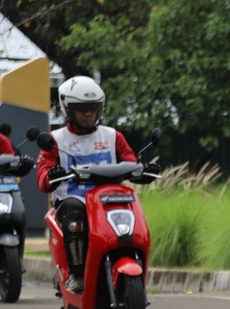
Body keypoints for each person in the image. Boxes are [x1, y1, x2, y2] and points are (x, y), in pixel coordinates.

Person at [35, 76, 157, 294]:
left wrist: (144, 172)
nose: (89, 113)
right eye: (82, 108)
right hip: (73, 201)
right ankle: (77, 274)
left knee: (133, 213)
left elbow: (131, 163)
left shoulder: (113, 136)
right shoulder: (55, 140)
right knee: (75, 213)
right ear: (68, 109)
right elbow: (43, 179)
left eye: (93, 108)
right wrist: (52, 174)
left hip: (107, 200)